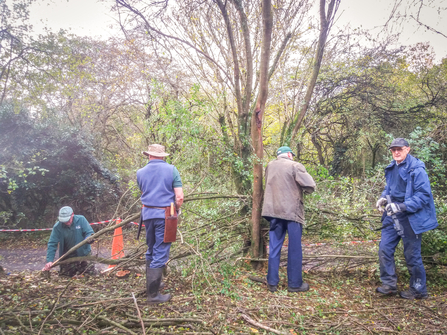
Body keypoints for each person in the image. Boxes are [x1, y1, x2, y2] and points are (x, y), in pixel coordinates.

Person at [375, 138, 438, 299]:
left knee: (412, 254)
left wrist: (402, 206)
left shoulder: (417, 169)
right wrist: (383, 198)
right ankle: (389, 285)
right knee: (384, 248)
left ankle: (418, 290)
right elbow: (389, 187)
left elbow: (423, 195)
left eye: (399, 149)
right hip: (392, 215)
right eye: (393, 150)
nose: (396, 152)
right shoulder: (392, 167)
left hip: (411, 217)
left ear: (407, 150)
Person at [261, 146, 316, 293]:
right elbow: (310, 185)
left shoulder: (270, 166)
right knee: (294, 248)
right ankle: (295, 284)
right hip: (292, 213)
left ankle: (272, 282)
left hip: (273, 212)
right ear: (290, 155)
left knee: (274, 247)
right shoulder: (295, 166)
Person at [137, 144, 184, 304]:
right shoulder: (172, 170)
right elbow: (179, 197)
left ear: (149, 155)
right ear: (163, 156)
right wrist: (176, 210)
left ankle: (153, 286)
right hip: (165, 215)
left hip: (147, 215)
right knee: (161, 251)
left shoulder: (140, 173)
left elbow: (144, 192)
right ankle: (153, 296)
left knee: (151, 250)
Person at [42, 206, 96, 276]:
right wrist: (49, 260)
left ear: (72, 214)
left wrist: (88, 238)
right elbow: (52, 243)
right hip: (67, 256)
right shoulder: (57, 227)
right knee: (65, 276)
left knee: (90, 274)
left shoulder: (81, 220)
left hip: (84, 254)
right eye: (64, 221)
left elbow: (89, 232)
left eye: (67, 220)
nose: (66, 222)